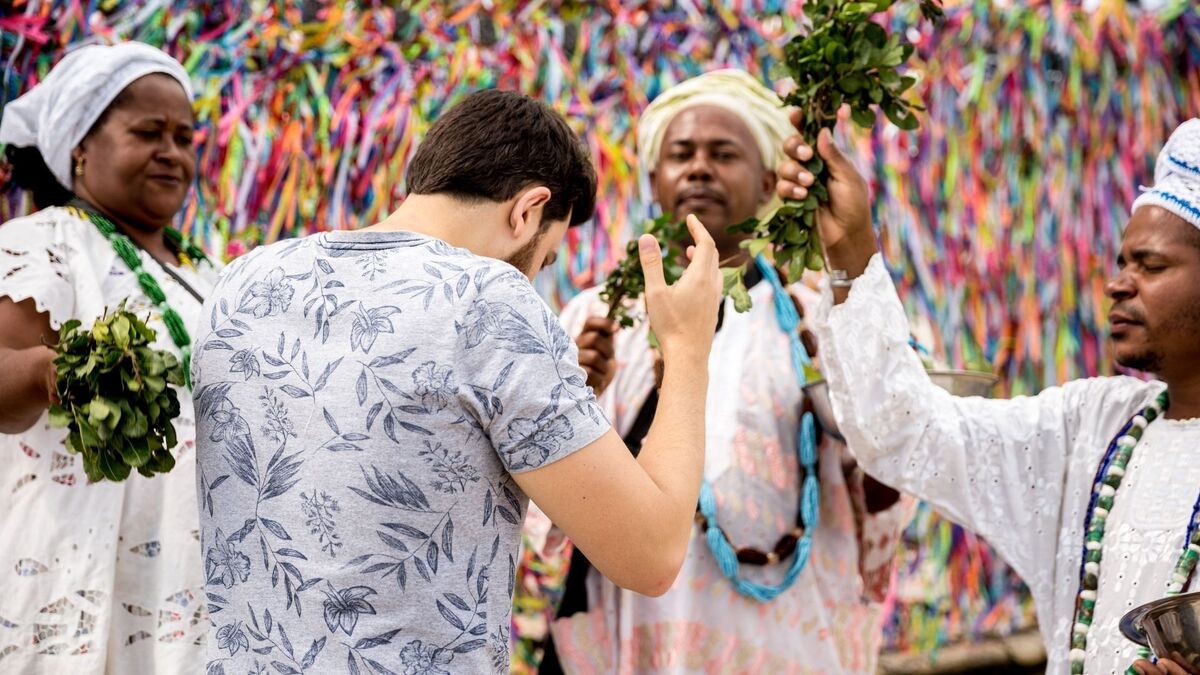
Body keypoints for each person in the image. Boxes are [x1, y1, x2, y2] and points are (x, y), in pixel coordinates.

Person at [191, 89, 723, 675]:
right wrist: (687, 348)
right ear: (528, 209)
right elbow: (650, 556)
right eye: (544, 260)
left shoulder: (241, 282)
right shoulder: (490, 301)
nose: (536, 279)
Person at [774, 113, 1200, 674]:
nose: (1119, 282)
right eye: (1123, 261)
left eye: (1151, 265)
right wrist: (852, 246)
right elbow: (907, 432)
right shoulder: (1093, 428)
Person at [534, 69, 913, 674]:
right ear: (655, 179)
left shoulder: (818, 309)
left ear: (769, 180)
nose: (700, 168)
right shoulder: (598, 316)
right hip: (635, 641)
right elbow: (547, 522)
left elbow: (898, 443)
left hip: (791, 642)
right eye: (680, 154)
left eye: (724, 153)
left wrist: (843, 316)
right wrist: (575, 398)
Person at [0, 42, 217, 672]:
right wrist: (56, 370)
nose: (172, 152)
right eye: (148, 132)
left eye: (184, 137)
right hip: (81, 565)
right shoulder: (43, 245)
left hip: (193, 576)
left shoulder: (210, 274)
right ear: (80, 148)